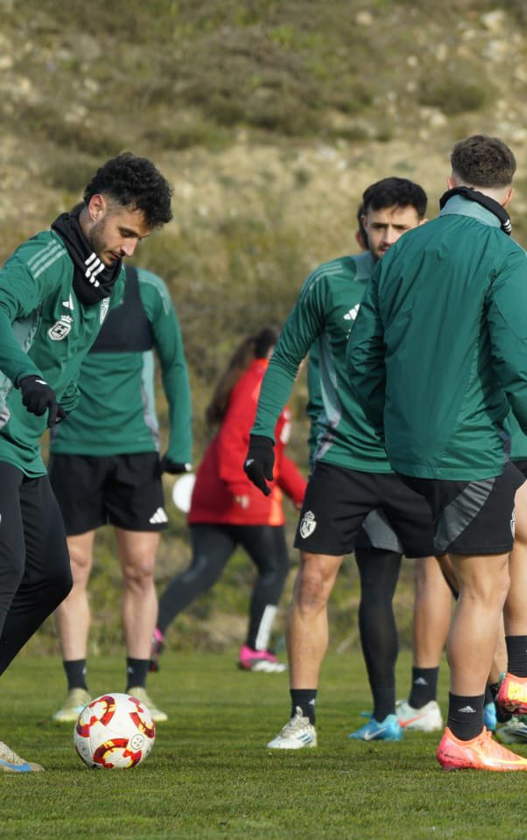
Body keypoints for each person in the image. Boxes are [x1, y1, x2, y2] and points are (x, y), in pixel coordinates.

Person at [347, 135, 527, 771]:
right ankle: (463, 733)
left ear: (450, 181)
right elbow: (518, 363)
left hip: (415, 445)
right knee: (483, 590)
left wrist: (389, 422)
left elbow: (362, 357)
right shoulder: (505, 255)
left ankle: (525, 672)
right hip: (466, 449)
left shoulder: (401, 249)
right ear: (508, 194)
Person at [246, 177, 439, 748]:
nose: (386, 237)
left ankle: (486, 708)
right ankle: (304, 719)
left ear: (420, 229)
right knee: (314, 582)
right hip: (343, 460)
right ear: (362, 224)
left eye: (400, 227)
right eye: (378, 225)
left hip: (418, 464)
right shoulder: (330, 282)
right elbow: (285, 358)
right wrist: (263, 437)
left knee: (471, 580)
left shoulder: (437, 286)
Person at [0, 152, 172, 772]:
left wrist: (62, 397)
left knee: (49, 574)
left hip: (24, 448)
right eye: (127, 232)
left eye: (140, 239)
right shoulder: (43, 257)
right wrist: (25, 379)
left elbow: (66, 352)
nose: (130, 247)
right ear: (96, 207)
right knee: (8, 564)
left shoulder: (106, 280)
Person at [47, 263, 192, 725]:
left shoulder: (149, 289)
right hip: (72, 450)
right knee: (72, 570)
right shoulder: (56, 284)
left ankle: (138, 686)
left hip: (136, 452)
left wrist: (182, 442)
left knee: (141, 570)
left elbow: (175, 364)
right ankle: (76, 689)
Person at [155, 328, 305, 678]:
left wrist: (302, 493)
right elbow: (231, 443)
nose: (301, 364)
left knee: (203, 571)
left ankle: (153, 630)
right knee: (276, 567)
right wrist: (240, 484)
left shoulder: (255, 380)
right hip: (244, 495)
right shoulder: (262, 382)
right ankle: (254, 648)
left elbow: (274, 456)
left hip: (215, 493)